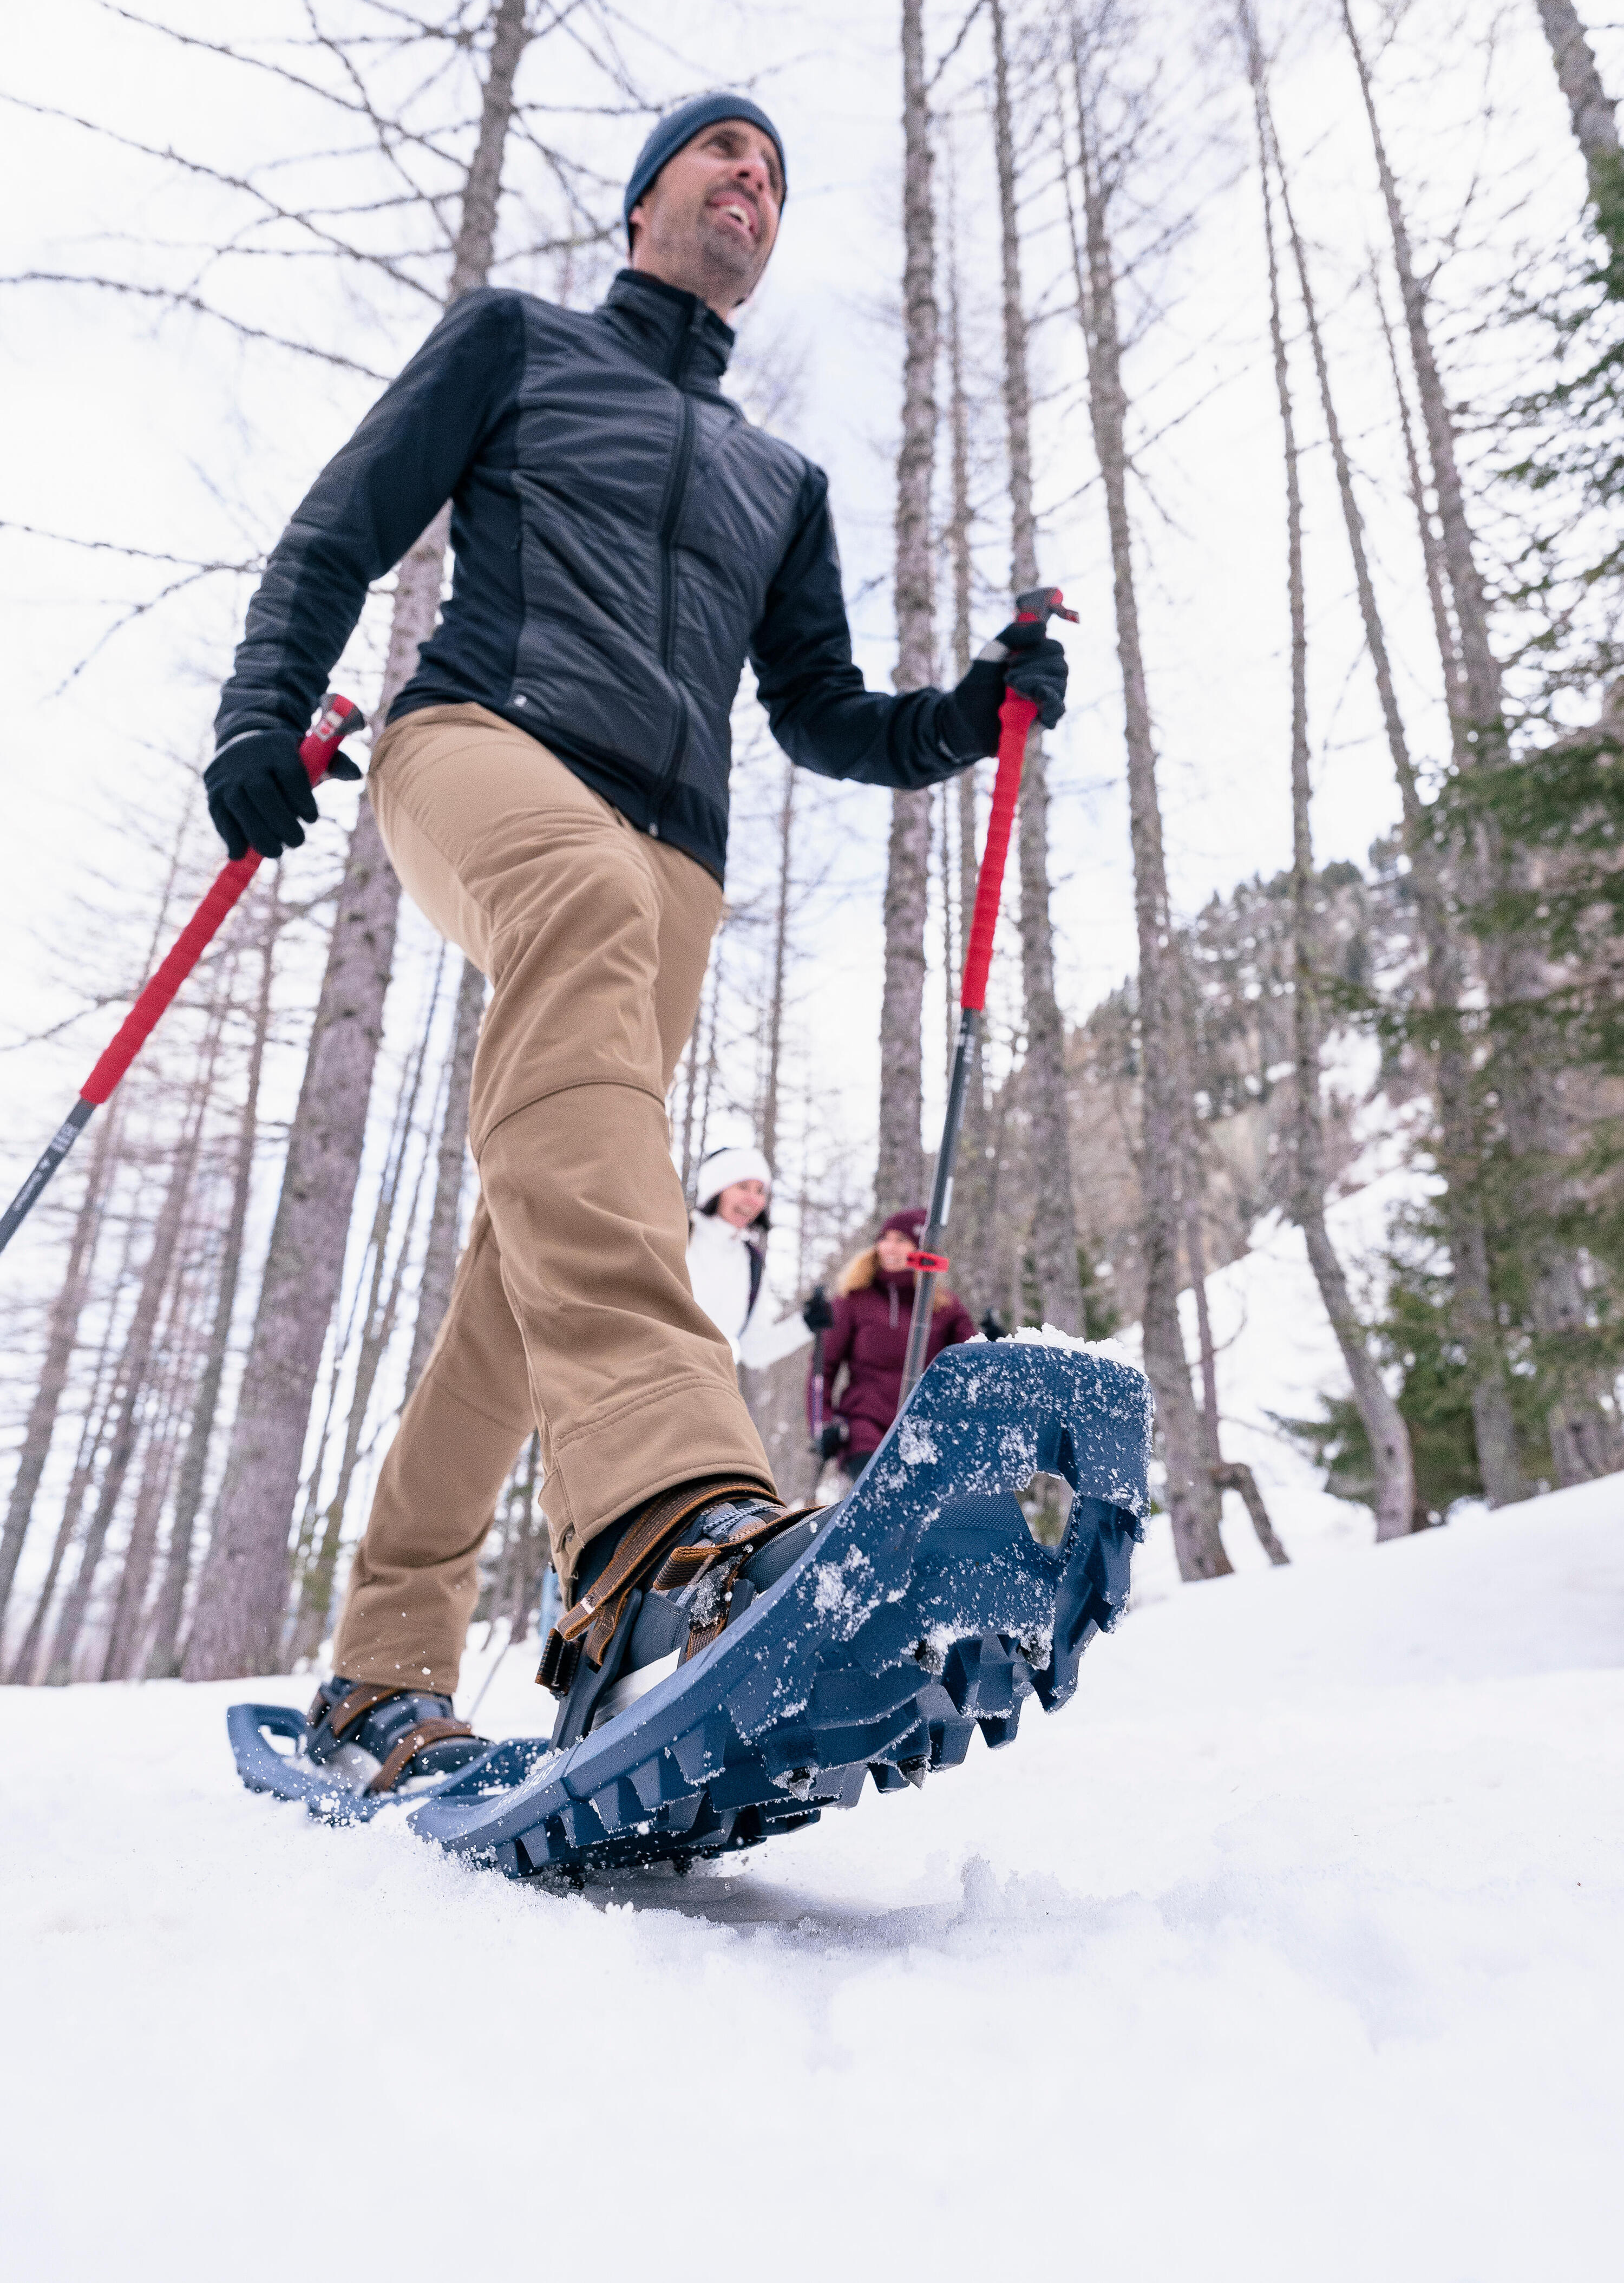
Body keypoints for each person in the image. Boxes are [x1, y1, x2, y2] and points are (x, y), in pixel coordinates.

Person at [202, 89, 1068, 1789]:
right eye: (725, 151)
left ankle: (384, 1675)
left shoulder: (778, 479)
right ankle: (660, 1532)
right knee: (586, 946)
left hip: (671, 861)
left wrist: (967, 716)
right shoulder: (516, 345)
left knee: (525, 1272)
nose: (755, 177)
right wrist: (258, 718)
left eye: (778, 170)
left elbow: (823, 717)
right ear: (643, 203)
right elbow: (337, 531)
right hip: (482, 750)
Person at [807, 1209, 977, 1494]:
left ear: (922, 1249)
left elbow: (971, 1359)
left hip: (926, 1427)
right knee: (884, 1501)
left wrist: (992, 1343)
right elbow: (823, 1367)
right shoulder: (855, 1298)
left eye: (901, 1239)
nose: (889, 1247)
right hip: (865, 1427)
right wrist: (822, 1423)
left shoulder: (945, 1306)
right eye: (884, 1239)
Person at [684, 1144, 810, 1372]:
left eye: (760, 1191)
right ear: (716, 1190)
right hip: (646, 1378)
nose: (754, 1200)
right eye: (743, 1187)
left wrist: (806, 1324)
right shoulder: (679, 1235)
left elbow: (755, 1350)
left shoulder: (751, 1262)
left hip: (706, 1386)